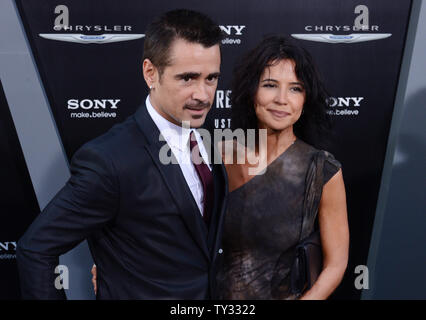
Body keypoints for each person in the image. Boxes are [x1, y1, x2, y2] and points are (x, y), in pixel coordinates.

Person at [16, 9, 228, 299]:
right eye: (188, 78)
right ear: (150, 73)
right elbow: (36, 248)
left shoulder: (210, 132)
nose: (203, 94)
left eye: (211, 78)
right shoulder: (110, 159)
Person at [215, 35, 349, 300]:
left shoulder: (321, 170)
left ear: (306, 98)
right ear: (251, 90)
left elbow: (336, 264)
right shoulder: (215, 156)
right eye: (270, 85)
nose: (282, 99)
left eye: (295, 88)